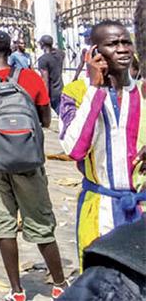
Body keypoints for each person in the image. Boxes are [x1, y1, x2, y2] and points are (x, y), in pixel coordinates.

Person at [0, 30, 67, 300]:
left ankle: (17, 290)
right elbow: (45, 119)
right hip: (29, 161)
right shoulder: (31, 78)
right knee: (41, 222)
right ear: (11, 51)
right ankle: (59, 284)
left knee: (4, 226)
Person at [59, 19, 146, 267]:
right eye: (113, 44)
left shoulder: (142, 91)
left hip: (141, 206)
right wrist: (96, 89)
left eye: (126, 42)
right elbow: (75, 149)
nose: (122, 49)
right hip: (100, 208)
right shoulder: (76, 93)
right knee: (100, 278)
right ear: (94, 52)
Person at [37, 35, 65, 114]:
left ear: (42, 44)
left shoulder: (43, 59)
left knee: (60, 114)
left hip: (52, 92)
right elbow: (60, 52)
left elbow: (45, 80)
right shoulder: (60, 54)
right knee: (62, 113)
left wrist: (45, 99)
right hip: (61, 88)